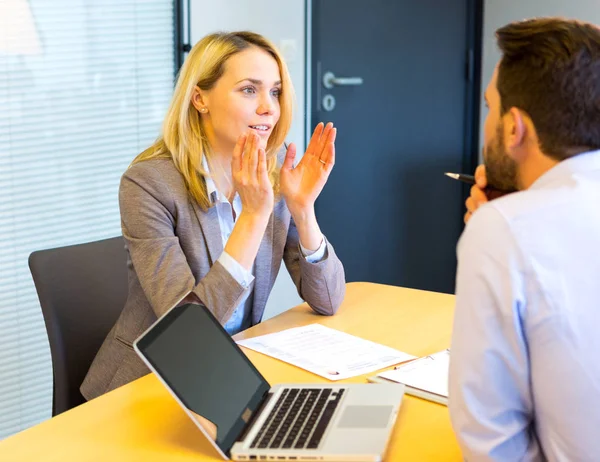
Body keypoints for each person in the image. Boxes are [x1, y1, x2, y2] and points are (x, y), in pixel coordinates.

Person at [81, 31, 345, 401]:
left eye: (276, 92)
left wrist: (303, 211)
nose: (269, 107)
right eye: (249, 90)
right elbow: (189, 336)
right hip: (146, 388)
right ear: (200, 98)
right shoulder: (148, 184)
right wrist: (253, 216)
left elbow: (329, 300)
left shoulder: (269, 172)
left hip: (226, 378)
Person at [449, 17, 600, 460]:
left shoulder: (502, 229)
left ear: (515, 128)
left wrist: (503, 223)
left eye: (490, 107)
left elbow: (488, 439)